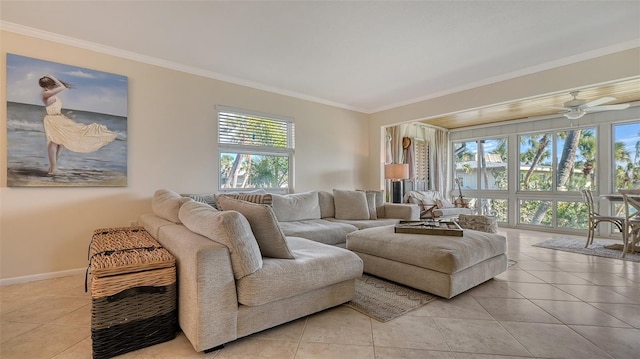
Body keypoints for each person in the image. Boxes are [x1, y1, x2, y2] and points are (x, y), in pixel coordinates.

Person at [39, 74, 117, 174]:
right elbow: (62, 87)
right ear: (48, 85)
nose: (54, 86)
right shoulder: (45, 94)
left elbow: (61, 87)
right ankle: (53, 168)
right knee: (53, 141)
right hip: (52, 119)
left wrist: (52, 78)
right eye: (52, 84)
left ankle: (53, 167)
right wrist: (53, 77)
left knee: (61, 142)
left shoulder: (50, 93)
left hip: (59, 118)